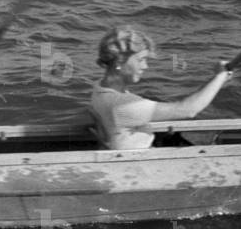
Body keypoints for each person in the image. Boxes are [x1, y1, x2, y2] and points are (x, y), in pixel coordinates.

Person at [88, 25, 232, 150]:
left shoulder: (100, 88)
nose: (145, 66)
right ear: (119, 61)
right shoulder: (122, 105)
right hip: (141, 163)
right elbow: (188, 110)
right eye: (141, 60)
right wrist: (220, 77)